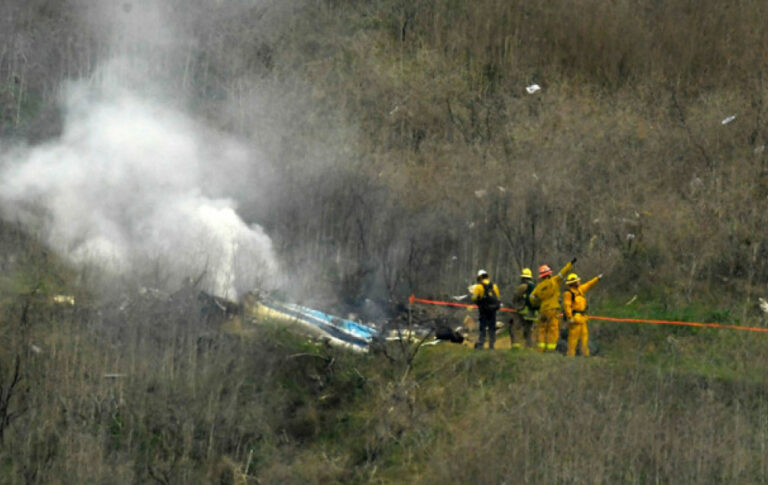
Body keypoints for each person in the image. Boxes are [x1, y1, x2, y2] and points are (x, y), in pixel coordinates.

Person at [529, 258, 576, 352]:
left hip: (542, 311)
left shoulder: (539, 286)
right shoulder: (554, 281)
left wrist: (537, 303)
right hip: (553, 310)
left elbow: (532, 298)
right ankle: (551, 350)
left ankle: (540, 350)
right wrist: (570, 264)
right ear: (549, 273)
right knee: (552, 330)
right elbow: (563, 273)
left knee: (542, 330)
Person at [563, 272, 602, 357]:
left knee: (584, 338)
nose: (579, 282)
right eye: (577, 281)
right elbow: (567, 306)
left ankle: (585, 355)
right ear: (573, 283)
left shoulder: (580, 290)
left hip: (583, 318)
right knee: (573, 339)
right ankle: (570, 356)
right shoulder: (568, 293)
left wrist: (597, 278)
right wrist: (570, 317)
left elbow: (589, 284)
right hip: (575, 319)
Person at [471, 269, 501, 350]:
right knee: (492, 327)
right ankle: (492, 345)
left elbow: (474, 298)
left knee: (483, 327)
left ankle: (481, 344)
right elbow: (498, 298)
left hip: (483, 311)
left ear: (480, 277)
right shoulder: (494, 286)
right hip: (493, 310)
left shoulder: (479, 287)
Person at [510, 268, 537, 348]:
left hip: (522, 311)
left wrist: (515, 304)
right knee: (528, 331)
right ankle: (529, 347)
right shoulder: (534, 287)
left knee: (516, 328)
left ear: (523, 278)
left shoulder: (522, 286)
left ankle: (516, 346)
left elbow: (516, 296)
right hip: (531, 313)